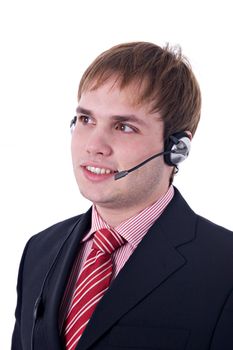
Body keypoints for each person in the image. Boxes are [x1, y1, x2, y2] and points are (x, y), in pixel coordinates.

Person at [12, 42, 233, 350]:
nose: (95, 145)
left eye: (124, 127)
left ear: (177, 149)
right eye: (86, 120)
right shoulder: (39, 250)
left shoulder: (225, 267)